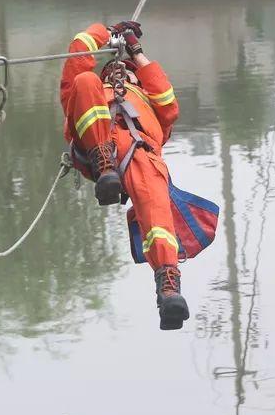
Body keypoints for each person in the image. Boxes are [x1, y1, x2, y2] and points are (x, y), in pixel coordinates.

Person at [60, 20, 190, 330]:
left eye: (129, 73)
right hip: (97, 146)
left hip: (139, 153)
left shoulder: (150, 101)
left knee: (156, 208)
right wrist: (102, 32)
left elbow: (169, 104)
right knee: (84, 80)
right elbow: (78, 53)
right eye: (116, 72)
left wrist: (137, 50)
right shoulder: (87, 90)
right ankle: (105, 166)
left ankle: (168, 286)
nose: (122, 75)